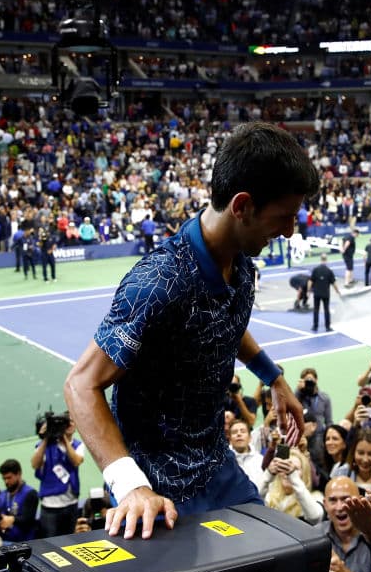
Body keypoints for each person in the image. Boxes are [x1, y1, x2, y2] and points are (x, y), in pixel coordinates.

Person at [63, 122, 317, 540]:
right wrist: (131, 487)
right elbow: (80, 384)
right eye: (283, 217)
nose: (291, 230)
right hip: (159, 493)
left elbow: (223, 325)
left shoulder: (240, 264)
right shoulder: (158, 282)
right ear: (242, 206)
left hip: (217, 467)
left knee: (278, 556)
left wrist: (274, 378)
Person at [316, 476, 371, 572]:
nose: (339, 507)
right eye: (333, 500)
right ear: (325, 504)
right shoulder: (315, 537)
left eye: (346, 499)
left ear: (359, 502)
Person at [32, 414, 84, 537]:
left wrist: (64, 438)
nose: (70, 424)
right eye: (67, 422)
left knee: (72, 540)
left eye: (72, 421)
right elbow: (35, 464)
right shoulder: (44, 446)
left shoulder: (77, 445)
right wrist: (46, 437)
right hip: (50, 506)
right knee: (52, 542)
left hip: (71, 503)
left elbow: (76, 461)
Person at [0, 459, 39, 542]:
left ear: (19, 474)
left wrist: (12, 519)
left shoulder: (30, 493)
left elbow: (28, 520)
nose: (6, 481)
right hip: (2, 540)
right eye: (4, 478)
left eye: (9, 478)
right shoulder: (1, 495)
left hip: (24, 541)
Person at [229, 419, 264, 492]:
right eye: (234, 432)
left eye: (243, 431)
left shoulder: (260, 460)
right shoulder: (223, 461)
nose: (239, 434)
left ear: (250, 438)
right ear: (230, 440)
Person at [309, 253, 341, 333]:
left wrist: (308, 291)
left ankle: (315, 326)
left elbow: (310, 281)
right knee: (326, 310)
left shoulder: (315, 270)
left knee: (316, 309)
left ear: (320, 259)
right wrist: (338, 292)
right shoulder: (329, 271)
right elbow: (334, 283)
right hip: (325, 294)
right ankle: (327, 327)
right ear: (326, 260)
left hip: (317, 293)